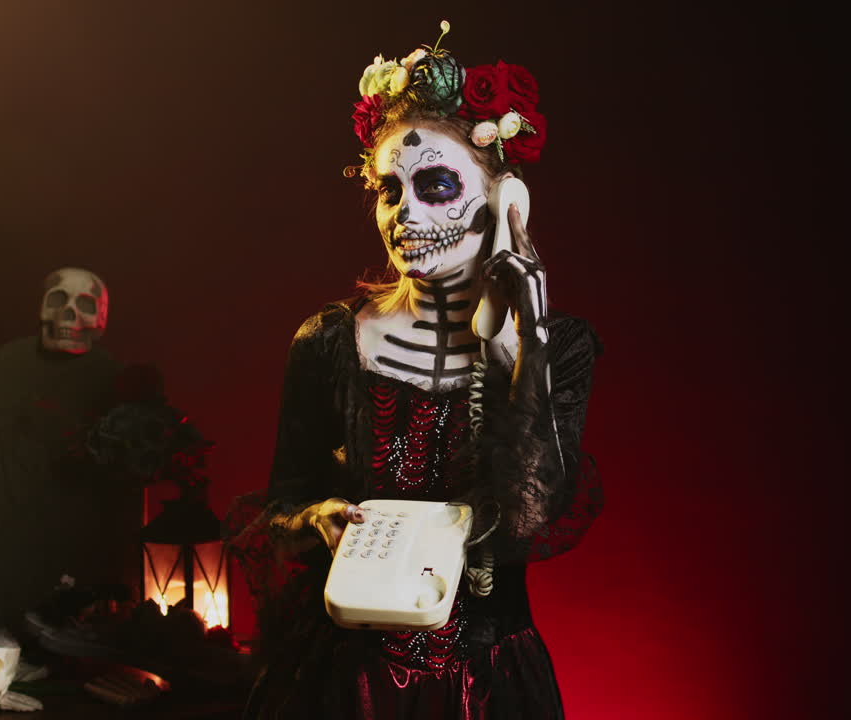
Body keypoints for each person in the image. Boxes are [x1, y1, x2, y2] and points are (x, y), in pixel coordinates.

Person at [231, 23, 603, 719]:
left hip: (487, 690)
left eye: (435, 184)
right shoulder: (330, 342)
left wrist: (529, 341)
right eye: (389, 190)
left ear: (504, 197)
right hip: (343, 683)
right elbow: (278, 503)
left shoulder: (558, 348)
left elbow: (532, 513)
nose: (406, 214)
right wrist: (316, 518)